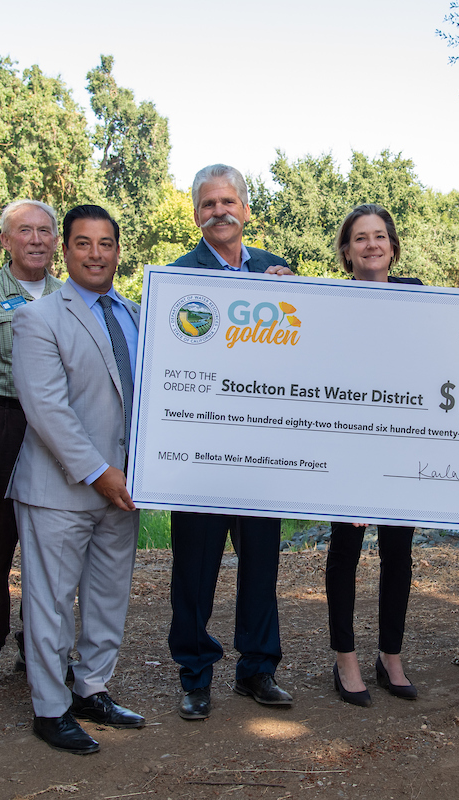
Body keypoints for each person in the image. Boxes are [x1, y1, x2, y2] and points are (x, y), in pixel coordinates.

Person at [9, 205, 145, 755]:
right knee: (51, 602)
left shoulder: (138, 315)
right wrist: (99, 472)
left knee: (110, 596)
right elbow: (46, 408)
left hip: (127, 487)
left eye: (106, 243)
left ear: (117, 250)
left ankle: (92, 688)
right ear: (65, 251)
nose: (95, 254)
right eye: (84, 243)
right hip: (60, 488)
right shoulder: (38, 318)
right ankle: (50, 707)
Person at [168, 164, 295, 721]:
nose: (219, 211)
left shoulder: (279, 273)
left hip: (263, 448)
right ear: (197, 214)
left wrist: (300, 302)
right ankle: (195, 673)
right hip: (201, 449)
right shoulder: (176, 279)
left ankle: (258, 670)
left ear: (245, 208)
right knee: (194, 569)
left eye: (228, 201)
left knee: (261, 563)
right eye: (207, 203)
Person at [0, 200, 64, 694]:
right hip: (3, 421)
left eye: (45, 231)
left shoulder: (72, 298)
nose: (37, 240)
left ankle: (41, 646)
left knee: (51, 548)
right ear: (5, 240)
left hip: (57, 429)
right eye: (25, 231)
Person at [325, 204, 421, 707]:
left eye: (380, 236)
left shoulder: (417, 294)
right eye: (360, 238)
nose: (371, 245)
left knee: (398, 554)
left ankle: (391, 656)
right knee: (345, 552)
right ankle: (345, 659)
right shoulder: (329, 299)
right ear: (346, 250)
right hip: (348, 445)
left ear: (392, 245)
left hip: (401, 443)